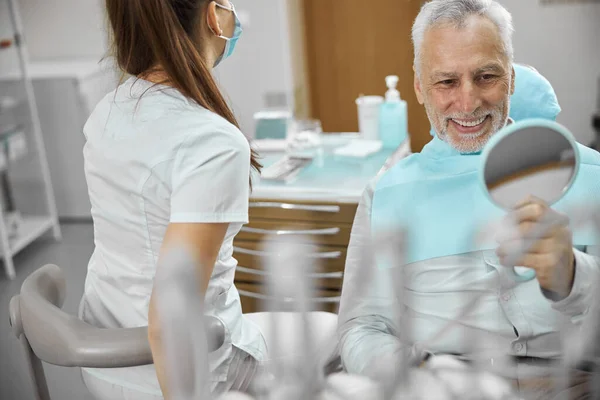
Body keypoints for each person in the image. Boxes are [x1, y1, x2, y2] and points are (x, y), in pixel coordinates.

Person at [337, 0, 600, 398]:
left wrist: (573, 277)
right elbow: (362, 328)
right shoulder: (387, 194)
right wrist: (420, 377)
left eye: (486, 77)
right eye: (446, 82)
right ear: (419, 87)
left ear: (510, 78)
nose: (468, 102)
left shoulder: (589, 174)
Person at [76, 1, 268, 398]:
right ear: (213, 16)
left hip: (104, 366)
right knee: (331, 332)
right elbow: (169, 320)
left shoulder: (107, 112)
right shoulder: (212, 142)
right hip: (190, 376)